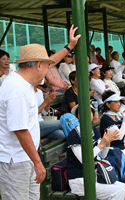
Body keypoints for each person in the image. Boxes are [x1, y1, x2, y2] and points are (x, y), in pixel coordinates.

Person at [0, 25, 80, 200]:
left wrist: (69, 46)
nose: (49, 68)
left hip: (25, 156)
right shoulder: (16, 89)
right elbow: (20, 129)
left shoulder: (24, 82)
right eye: (47, 65)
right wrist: (38, 162)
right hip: (16, 161)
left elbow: (50, 60)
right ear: (38, 65)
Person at [67, 104, 125, 200]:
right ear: (77, 117)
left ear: (93, 115)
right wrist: (101, 144)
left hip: (95, 175)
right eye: (81, 112)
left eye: (89, 112)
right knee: (118, 191)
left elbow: (102, 155)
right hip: (79, 180)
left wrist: (107, 143)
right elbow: (84, 160)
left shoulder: (94, 131)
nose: (86, 114)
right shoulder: (74, 135)